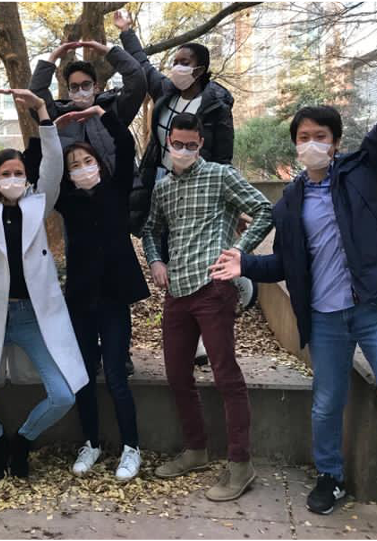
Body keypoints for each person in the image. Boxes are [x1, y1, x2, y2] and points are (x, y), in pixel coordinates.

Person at [210, 20, 377, 541]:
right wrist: (244, 264)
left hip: (375, 312)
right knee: (326, 401)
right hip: (325, 318)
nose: (310, 145)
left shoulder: (363, 171)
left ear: (334, 141)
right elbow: (284, 265)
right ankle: (330, 476)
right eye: (302, 138)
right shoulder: (292, 202)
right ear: (294, 147)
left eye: (319, 137)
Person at [0, 87, 89, 482]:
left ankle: (23, 441)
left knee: (63, 394)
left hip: (31, 317)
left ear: (27, 178)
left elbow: (55, 165)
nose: (12, 179)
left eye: (18, 174)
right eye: (5, 174)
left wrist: (43, 112)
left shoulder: (38, 203)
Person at [143, 112, 273, 502]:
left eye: (191, 144)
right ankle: (196, 450)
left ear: (201, 143)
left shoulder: (220, 175)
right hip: (176, 292)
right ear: (168, 143)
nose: (183, 151)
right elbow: (151, 229)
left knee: (225, 376)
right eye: (177, 144)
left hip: (214, 288)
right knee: (177, 375)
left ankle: (240, 464)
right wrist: (155, 261)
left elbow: (265, 209)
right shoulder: (163, 188)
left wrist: (238, 252)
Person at [115, 11, 238, 365]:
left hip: (198, 188)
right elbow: (142, 65)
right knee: (166, 250)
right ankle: (182, 322)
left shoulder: (215, 104)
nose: (177, 67)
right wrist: (127, 32)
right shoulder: (167, 92)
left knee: (194, 253)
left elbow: (223, 156)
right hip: (162, 183)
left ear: (200, 69)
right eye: (175, 61)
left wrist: (228, 200)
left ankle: (203, 335)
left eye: (185, 62)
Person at [53, 106, 150, 481]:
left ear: (98, 162)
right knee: (83, 374)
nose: (81, 167)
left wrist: (105, 114)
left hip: (112, 299)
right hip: (79, 300)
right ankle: (90, 443)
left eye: (87, 160)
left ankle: (131, 447)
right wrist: (54, 128)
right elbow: (38, 163)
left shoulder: (117, 189)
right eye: (74, 164)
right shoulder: (66, 200)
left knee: (115, 374)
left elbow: (125, 147)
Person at [29, 38, 147, 175]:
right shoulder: (59, 116)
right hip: (77, 191)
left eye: (86, 85)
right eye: (74, 86)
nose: (80, 90)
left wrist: (108, 51)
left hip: (120, 188)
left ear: (95, 87)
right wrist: (53, 57)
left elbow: (137, 79)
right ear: (68, 90)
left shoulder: (113, 110)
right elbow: (36, 97)